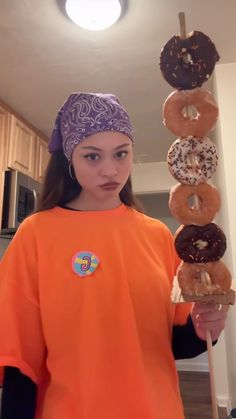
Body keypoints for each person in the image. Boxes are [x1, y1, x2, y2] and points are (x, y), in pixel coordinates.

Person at [0, 92, 228, 419]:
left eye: (121, 153)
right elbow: (20, 361)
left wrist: (206, 328)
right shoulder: (36, 234)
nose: (111, 170)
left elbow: (177, 344)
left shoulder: (157, 235)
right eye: (92, 157)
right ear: (70, 160)